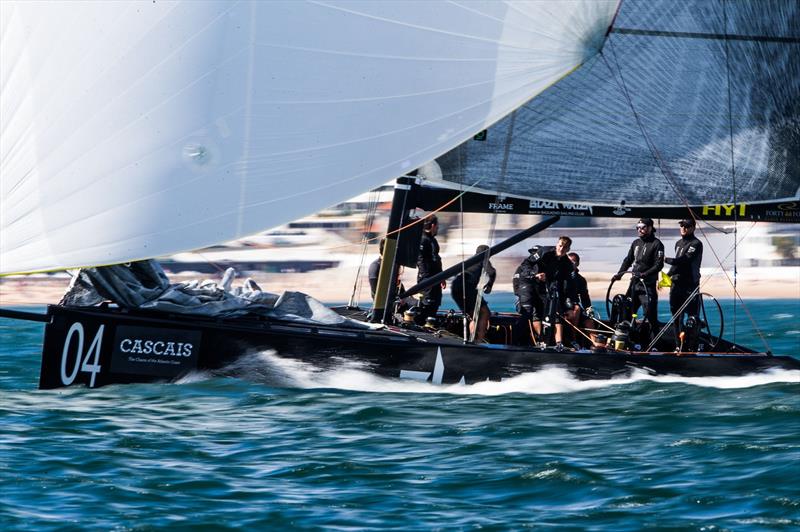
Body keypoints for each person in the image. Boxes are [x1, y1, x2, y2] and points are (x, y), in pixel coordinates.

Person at [612, 217, 664, 335]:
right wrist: (619, 274)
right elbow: (628, 260)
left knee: (650, 315)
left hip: (647, 287)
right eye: (638, 228)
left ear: (650, 228)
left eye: (643, 228)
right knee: (627, 312)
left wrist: (645, 274)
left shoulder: (657, 244)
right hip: (634, 285)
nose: (640, 230)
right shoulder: (635, 243)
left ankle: (654, 345)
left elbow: (659, 265)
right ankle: (628, 339)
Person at [665, 218, 703, 347]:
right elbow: (677, 265)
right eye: (681, 226)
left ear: (693, 228)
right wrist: (667, 275)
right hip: (676, 284)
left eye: (686, 226)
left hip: (690, 284)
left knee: (692, 317)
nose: (683, 228)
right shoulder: (678, 243)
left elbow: (685, 260)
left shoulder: (696, 243)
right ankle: (678, 346)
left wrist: (666, 260)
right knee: (676, 316)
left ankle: (692, 345)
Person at [537, 236, 580, 349]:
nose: (561, 249)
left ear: (568, 249)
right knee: (538, 313)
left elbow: (570, 287)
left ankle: (559, 343)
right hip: (538, 287)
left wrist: (570, 305)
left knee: (558, 313)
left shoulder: (567, 264)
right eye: (560, 246)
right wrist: (534, 275)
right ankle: (541, 341)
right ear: (557, 244)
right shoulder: (545, 253)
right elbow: (528, 265)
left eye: (565, 247)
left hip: (554, 291)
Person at [452, 245, 496, 343]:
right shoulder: (482, 257)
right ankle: (478, 340)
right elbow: (492, 272)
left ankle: (472, 339)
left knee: (474, 316)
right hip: (467, 286)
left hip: (456, 286)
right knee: (485, 312)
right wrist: (489, 285)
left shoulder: (470, 260)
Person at [513, 245, 548, 343]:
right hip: (525, 299)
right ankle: (519, 340)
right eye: (532, 252)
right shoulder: (522, 268)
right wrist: (521, 296)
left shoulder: (544, 268)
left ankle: (542, 339)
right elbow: (516, 284)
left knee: (541, 314)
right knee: (528, 315)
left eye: (536, 252)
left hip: (539, 298)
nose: (534, 254)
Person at [416, 215, 445, 324]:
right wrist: (427, 279)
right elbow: (420, 260)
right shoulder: (423, 240)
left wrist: (442, 276)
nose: (438, 228)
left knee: (435, 303)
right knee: (427, 306)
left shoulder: (433, 240)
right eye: (437, 226)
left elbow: (437, 259)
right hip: (427, 280)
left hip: (436, 279)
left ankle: (430, 325)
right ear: (433, 225)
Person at [567, 252, 596, 345]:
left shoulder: (580, 279)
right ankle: (573, 339)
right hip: (562, 305)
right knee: (577, 309)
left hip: (574, 305)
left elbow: (585, 297)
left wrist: (589, 308)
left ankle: (596, 343)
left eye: (573, 262)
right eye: (568, 262)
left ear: (577, 264)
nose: (571, 264)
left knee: (588, 320)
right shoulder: (560, 276)